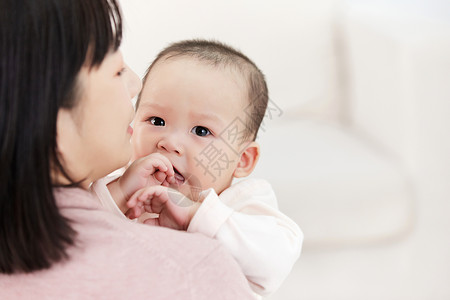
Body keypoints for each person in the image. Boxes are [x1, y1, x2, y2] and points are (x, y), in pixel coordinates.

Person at [0, 1, 256, 299]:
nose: (134, 85)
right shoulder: (193, 275)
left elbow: (275, 251)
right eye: (117, 71)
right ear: (47, 110)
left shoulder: (248, 203)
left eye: (201, 131)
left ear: (244, 159)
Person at [92, 40, 303, 297]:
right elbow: (76, 233)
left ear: (242, 159)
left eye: (201, 131)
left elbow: (275, 261)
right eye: (156, 120)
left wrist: (196, 215)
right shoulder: (121, 185)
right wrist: (120, 194)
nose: (169, 143)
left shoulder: (241, 205)